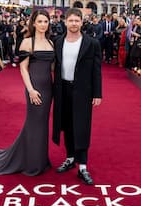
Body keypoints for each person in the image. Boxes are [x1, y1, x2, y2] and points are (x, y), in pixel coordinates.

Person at [0, 9, 54, 176]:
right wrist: (31, 90)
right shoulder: (27, 42)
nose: (43, 25)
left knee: (42, 125)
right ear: (33, 23)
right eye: (40, 21)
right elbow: (23, 69)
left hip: (49, 89)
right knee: (34, 123)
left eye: (45, 21)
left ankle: (40, 159)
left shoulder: (51, 43)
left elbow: (52, 67)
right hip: (34, 88)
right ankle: (31, 162)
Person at [52, 8, 102, 185]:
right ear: (65, 22)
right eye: (70, 20)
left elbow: (97, 71)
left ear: (82, 22)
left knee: (81, 127)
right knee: (66, 125)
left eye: (77, 21)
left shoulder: (92, 43)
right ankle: (70, 158)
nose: (73, 23)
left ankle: (83, 167)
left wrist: (97, 93)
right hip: (62, 89)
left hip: (83, 91)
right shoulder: (57, 42)